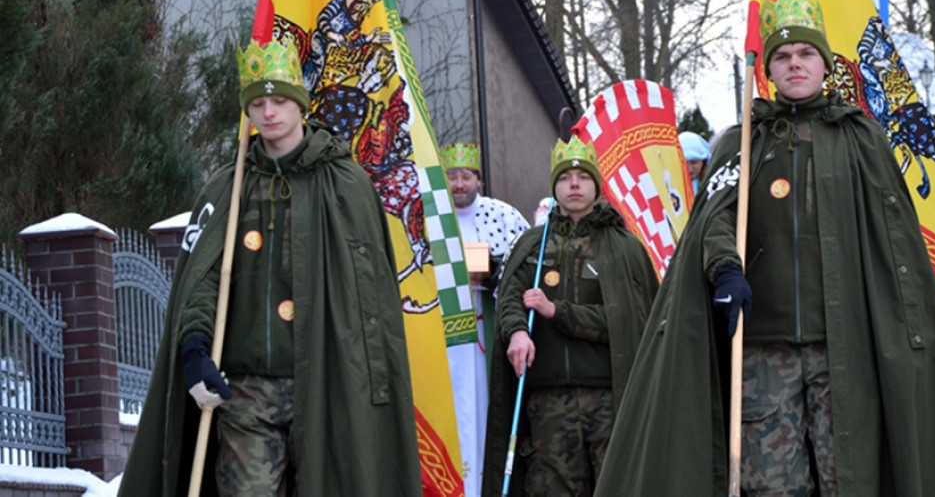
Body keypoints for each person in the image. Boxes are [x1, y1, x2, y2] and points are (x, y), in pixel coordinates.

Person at [593, 0, 935, 496]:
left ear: (824, 64)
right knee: (773, 487)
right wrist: (725, 269)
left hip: (844, 350)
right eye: (782, 56)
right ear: (768, 71)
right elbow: (714, 219)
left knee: (849, 480)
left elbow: (895, 242)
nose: (794, 63)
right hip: (761, 351)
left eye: (805, 54)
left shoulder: (860, 138)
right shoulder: (744, 140)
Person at [118, 38, 422, 496]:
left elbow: (370, 301)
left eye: (279, 100)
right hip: (246, 391)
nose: (269, 112)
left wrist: (370, 383)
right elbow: (201, 282)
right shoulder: (228, 187)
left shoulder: (345, 184)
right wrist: (195, 350)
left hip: (327, 386)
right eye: (257, 103)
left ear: (299, 103)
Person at [482, 135, 659, 497]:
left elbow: (627, 320)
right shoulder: (533, 244)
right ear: (554, 187)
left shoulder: (624, 247)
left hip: (609, 398)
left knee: (618, 486)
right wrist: (516, 331)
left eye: (582, 177)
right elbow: (511, 298)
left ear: (596, 185)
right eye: (564, 178)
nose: (573, 184)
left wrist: (558, 312)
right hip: (548, 403)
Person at [441, 141, 530, 496]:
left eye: (465, 176)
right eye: (451, 176)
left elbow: (526, 264)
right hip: (444, 330)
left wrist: (491, 273)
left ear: (478, 179)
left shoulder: (502, 215)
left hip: (486, 326)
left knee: (484, 404)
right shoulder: (428, 216)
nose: (459, 184)